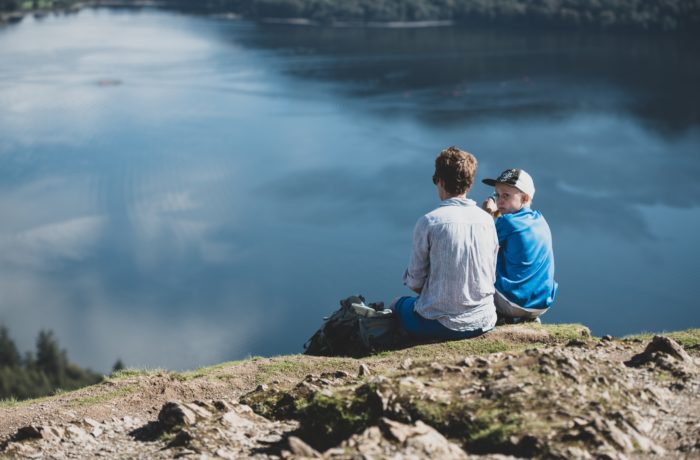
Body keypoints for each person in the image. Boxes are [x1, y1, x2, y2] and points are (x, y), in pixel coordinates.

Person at [391, 146, 499, 341]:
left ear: (439, 181)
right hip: (485, 319)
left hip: (442, 324)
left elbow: (415, 283)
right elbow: (491, 273)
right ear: (470, 183)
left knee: (397, 304)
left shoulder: (429, 222)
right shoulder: (487, 221)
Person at [481, 168, 558, 323]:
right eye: (497, 195)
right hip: (542, 303)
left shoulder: (507, 221)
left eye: (506, 195)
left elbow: (480, 246)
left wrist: (487, 215)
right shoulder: (540, 219)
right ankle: (526, 318)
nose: (499, 200)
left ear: (524, 198)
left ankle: (494, 315)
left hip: (513, 303)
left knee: (477, 260)